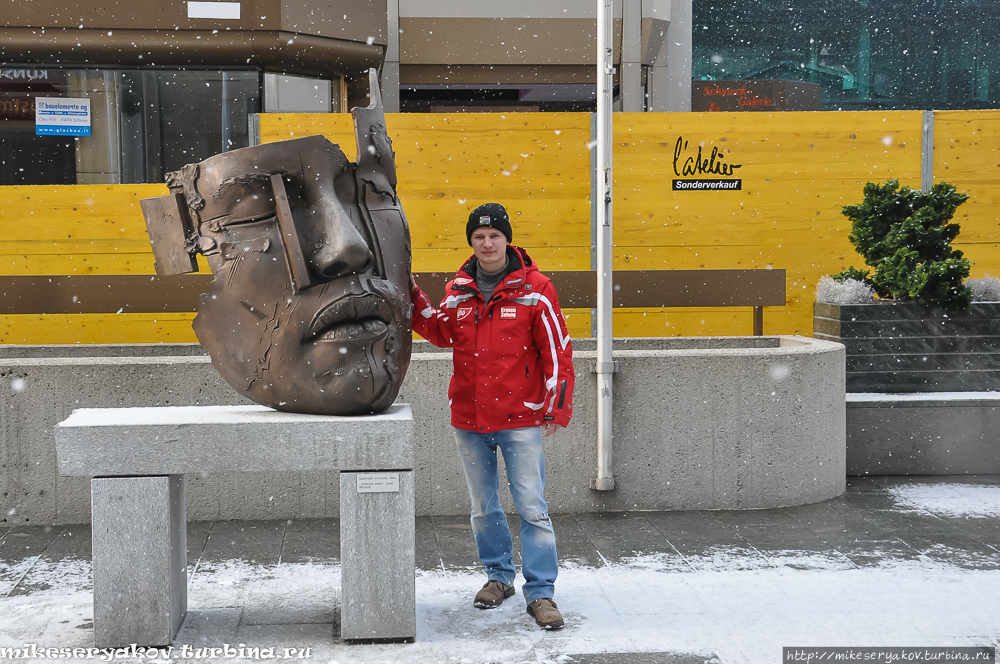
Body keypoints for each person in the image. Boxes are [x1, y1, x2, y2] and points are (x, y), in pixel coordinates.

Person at [410, 202, 574, 630]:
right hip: (469, 417)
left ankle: (541, 594)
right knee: (483, 507)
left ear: (507, 240)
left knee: (533, 507)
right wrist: (409, 295)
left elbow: (557, 352)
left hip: (520, 418)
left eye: (494, 236)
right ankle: (498, 578)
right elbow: (439, 330)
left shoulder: (535, 289)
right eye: (479, 237)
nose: (487, 243)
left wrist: (556, 407)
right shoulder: (459, 291)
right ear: (472, 242)